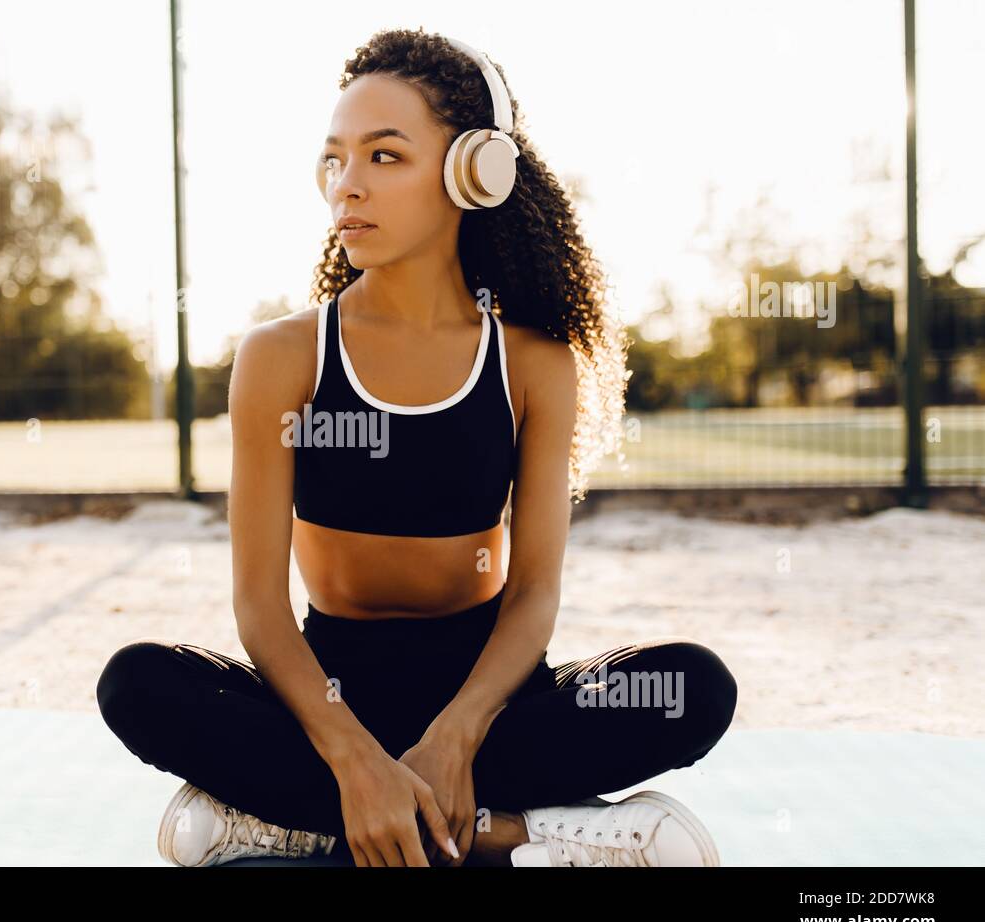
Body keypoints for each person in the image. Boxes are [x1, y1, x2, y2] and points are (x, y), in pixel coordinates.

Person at [96, 28, 737, 867]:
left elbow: (535, 595)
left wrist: (456, 736)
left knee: (692, 684)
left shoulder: (533, 365)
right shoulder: (281, 357)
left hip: (488, 702)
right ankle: (513, 832)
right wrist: (354, 756)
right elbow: (258, 607)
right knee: (137, 683)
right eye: (334, 159)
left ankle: (303, 826)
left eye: (385, 156)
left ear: (476, 170)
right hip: (325, 701)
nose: (347, 185)